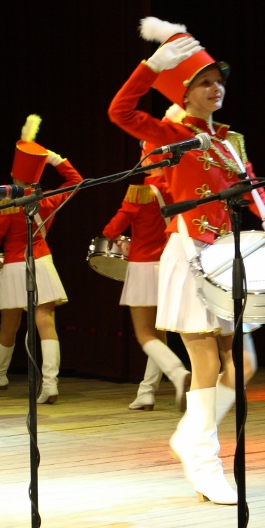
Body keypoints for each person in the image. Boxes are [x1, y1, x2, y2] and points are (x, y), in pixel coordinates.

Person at [108, 17, 265, 505]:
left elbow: (252, 185)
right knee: (206, 358)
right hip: (190, 251)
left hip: (227, 254)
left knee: (243, 363)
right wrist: (151, 67)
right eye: (205, 82)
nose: (217, 88)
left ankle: (190, 435)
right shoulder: (168, 135)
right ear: (185, 94)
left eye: (219, 81)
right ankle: (206, 463)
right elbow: (120, 110)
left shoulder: (231, 140)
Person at [0, 115, 81, 404]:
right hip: (42, 262)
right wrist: (54, 158)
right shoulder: (48, 199)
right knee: (46, 321)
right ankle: (50, 384)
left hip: (13, 266)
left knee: (9, 324)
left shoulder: (6, 205)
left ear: (14, 178)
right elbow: (76, 181)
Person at [98, 159, 189, 411]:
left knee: (145, 333)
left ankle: (178, 372)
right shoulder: (176, 189)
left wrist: (118, 239)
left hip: (142, 267)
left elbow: (112, 229)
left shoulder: (139, 194)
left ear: (149, 164)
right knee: (160, 335)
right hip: (168, 265)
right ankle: (146, 392)